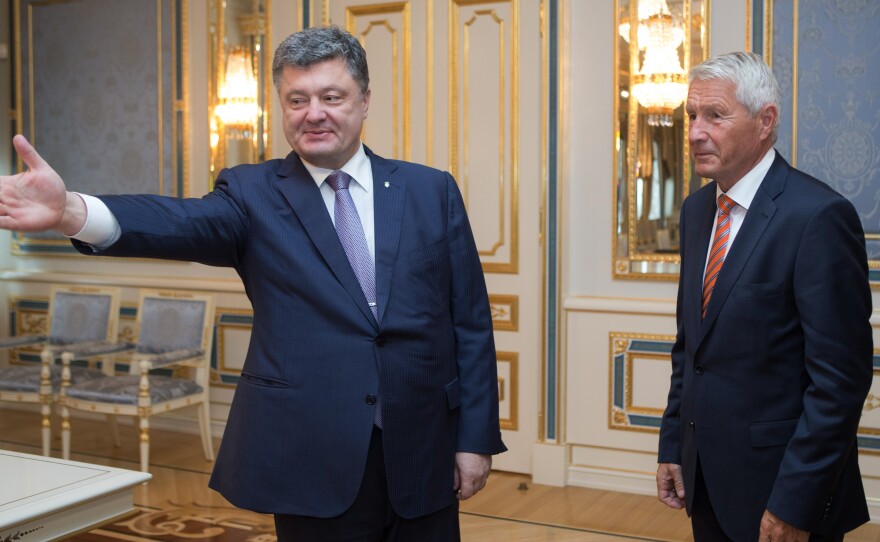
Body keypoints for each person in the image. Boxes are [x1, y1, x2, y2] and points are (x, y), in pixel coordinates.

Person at [0, 25, 506, 541]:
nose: (315, 113)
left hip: (424, 447)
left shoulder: (430, 190)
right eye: (297, 99)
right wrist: (70, 210)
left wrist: (475, 439)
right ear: (281, 106)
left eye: (332, 96)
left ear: (365, 99)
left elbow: (469, 322)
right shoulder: (251, 192)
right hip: (310, 454)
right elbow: (178, 223)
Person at [656, 51, 873, 542]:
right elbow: (691, 350)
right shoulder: (696, 212)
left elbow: (839, 384)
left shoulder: (818, 217)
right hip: (705, 483)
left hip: (783, 495)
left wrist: (795, 503)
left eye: (715, 115)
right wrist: (673, 446)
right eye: (691, 116)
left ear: (765, 121)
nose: (694, 132)